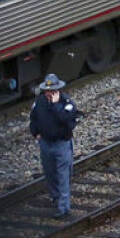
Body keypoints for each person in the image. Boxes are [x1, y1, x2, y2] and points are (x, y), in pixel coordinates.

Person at [29, 73, 80, 218]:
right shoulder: (39, 103)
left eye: (53, 91)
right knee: (50, 173)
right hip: (45, 143)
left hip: (61, 143)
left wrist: (57, 105)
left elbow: (66, 120)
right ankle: (55, 197)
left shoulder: (66, 103)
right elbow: (33, 119)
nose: (50, 93)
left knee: (63, 174)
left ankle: (64, 208)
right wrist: (36, 134)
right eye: (48, 91)